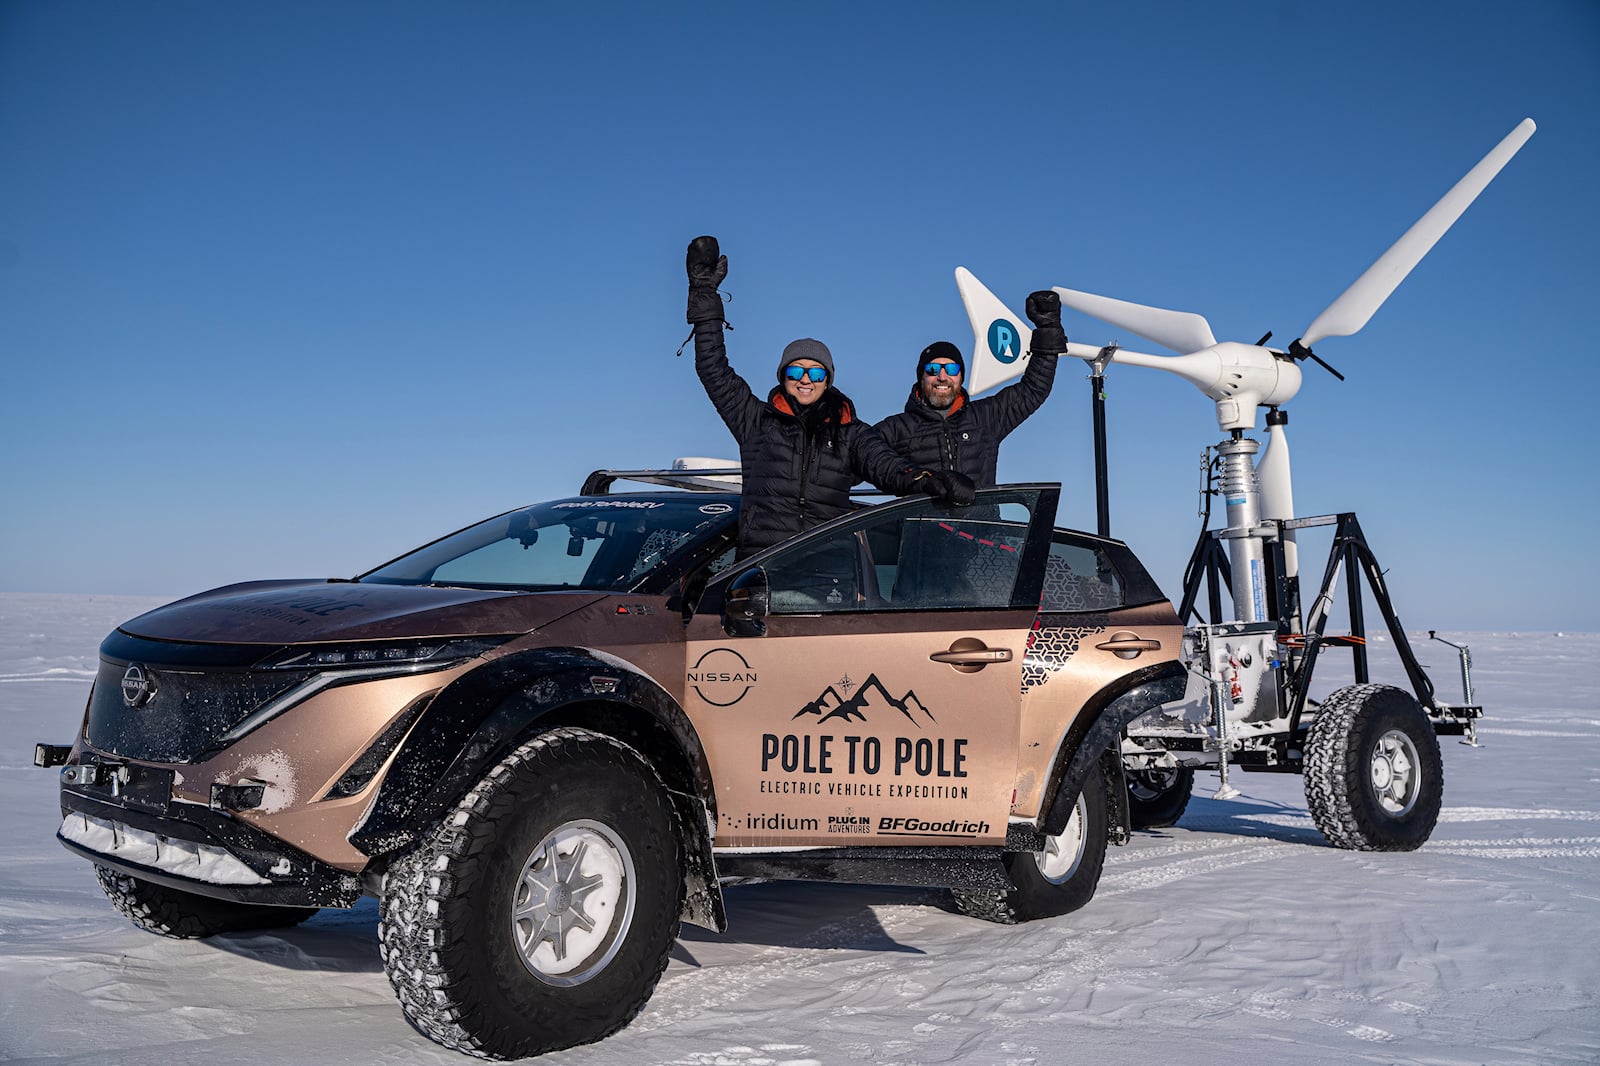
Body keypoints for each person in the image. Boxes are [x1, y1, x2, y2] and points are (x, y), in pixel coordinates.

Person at [685, 235, 973, 560]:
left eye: (816, 373)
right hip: (761, 567)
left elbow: (889, 468)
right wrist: (704, 298)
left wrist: (934, 480)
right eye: (795, 372)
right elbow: (713, 369)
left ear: (828, 381)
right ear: (782, 377)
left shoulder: (850, 432)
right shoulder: (755, 421)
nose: (805, 380)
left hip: (825, 571)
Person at [874, 291, 1067, 488]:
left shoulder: (985, 418)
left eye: (951, 369)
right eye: (932, 369)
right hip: (924, 520)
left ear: (961, 377)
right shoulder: (898, 429)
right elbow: (857, 458)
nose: (942, 377)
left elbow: (1033, 389)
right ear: (921, 377)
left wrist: (1048, 329)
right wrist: (919, 479)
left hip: (980, 520)